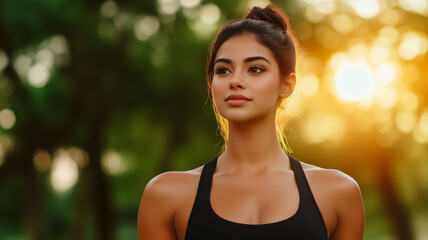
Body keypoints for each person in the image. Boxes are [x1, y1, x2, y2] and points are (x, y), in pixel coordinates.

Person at [138, 4, 365, 240]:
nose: (235, 80)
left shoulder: (337, 193)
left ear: (287, 85)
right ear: (211, 83)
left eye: (255, 69)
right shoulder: (167, 196)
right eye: (223, 70)